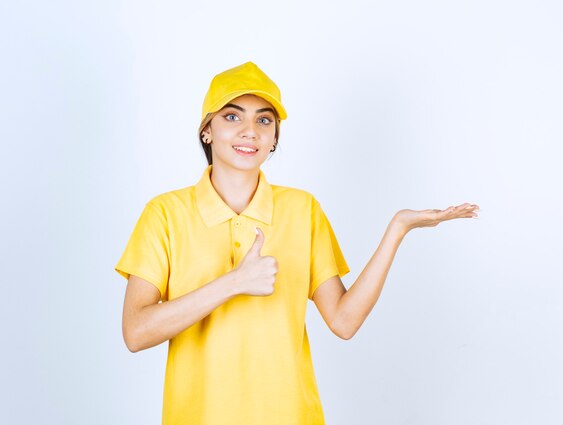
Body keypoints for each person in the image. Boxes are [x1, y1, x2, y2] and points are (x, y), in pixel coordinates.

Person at [115, 61, 480, 425]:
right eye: (231, 117)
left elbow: (344, 321)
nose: (250, 131)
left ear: (274, 138)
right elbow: (136, 332)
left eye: (264, 120)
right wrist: (234, 283)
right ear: (206, 130)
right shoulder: (165, 213)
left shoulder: (302, 210)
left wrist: (398, 229)